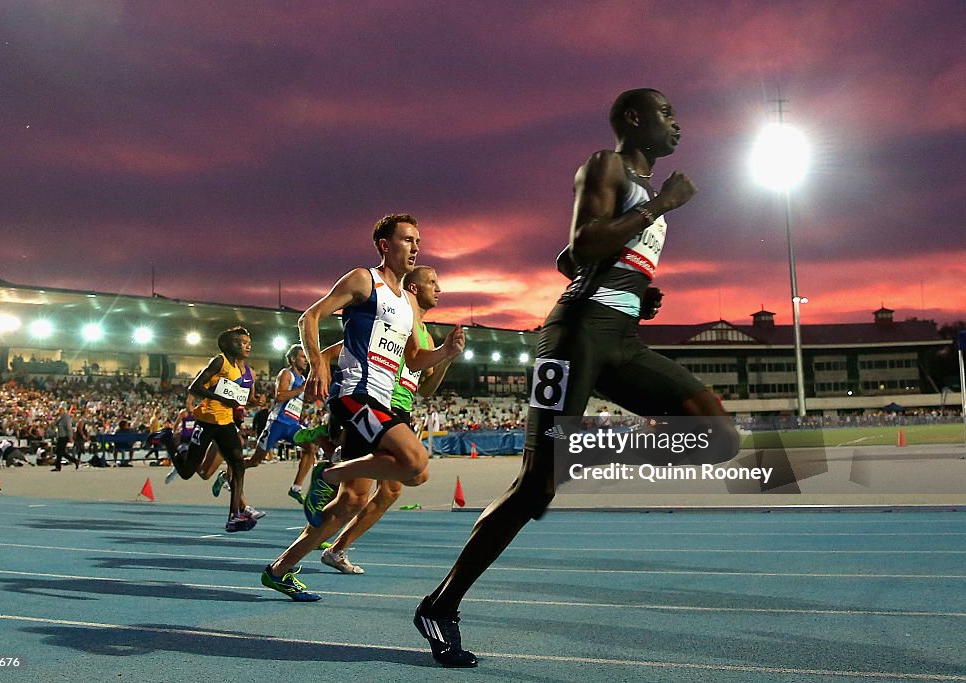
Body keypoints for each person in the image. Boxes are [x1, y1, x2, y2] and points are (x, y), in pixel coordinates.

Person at [413, 89, 741, 668]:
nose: (678, 126)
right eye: (668, 114)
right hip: (574, 336)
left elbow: (574, 261)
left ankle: (577, 453)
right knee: (535, 489)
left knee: (716, 433)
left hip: (620, 338)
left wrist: (639, 286)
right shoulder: (606, 166)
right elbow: (581, 244)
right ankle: (441, 603)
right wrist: (661, 203)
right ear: (635, 119)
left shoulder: (632, 188)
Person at [260, 213, 464, 601]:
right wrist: (318, 361)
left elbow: (414, 359)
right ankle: (330, 472)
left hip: (384, 400)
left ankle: (279, 570)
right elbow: (310, 316)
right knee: (415, 461)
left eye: (417, 241)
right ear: (385, 245)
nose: (415, 247)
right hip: (356, 394)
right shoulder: (362, 280)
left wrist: (445, 352)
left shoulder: (406, 303)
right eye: (407, 240)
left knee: (354, 501)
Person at [321, 265, 452, 575]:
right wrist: (332, 393)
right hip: (373, 402)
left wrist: (447, 356)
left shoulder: (427, 337)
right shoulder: (392, 317)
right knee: (355, 495)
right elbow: (338, 352)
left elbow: (427, 390)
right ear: (415, 289)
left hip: (400, 411)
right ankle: (316, 519)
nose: (440, 288)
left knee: (389, 491)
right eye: (432, 282)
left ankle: (335, 548)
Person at [170, 326, 260, 532]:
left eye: (248, 343)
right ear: (229, 345)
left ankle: (234, 516)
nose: (247, 346)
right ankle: (167, 439)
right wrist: (221, 398)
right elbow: (195, 387)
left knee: (237, 464)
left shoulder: (239, 370)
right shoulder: (219, 361)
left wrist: (248, 402)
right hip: (207, 421)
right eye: (242, 343)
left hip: (226, 422)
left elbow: (236, 398)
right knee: (187, 471)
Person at [242, 344, 321, 506]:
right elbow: (279, 396)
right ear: (293, 359)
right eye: (302, 357)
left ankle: (296, 488)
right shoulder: (286, 374)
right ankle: (229, 471)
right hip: (277, 423)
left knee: (311, 447)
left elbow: (303, 398)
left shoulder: (303, 380)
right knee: (256, 460)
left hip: (292, 425)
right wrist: (301, 389)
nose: (305, 361)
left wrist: (312, 395)